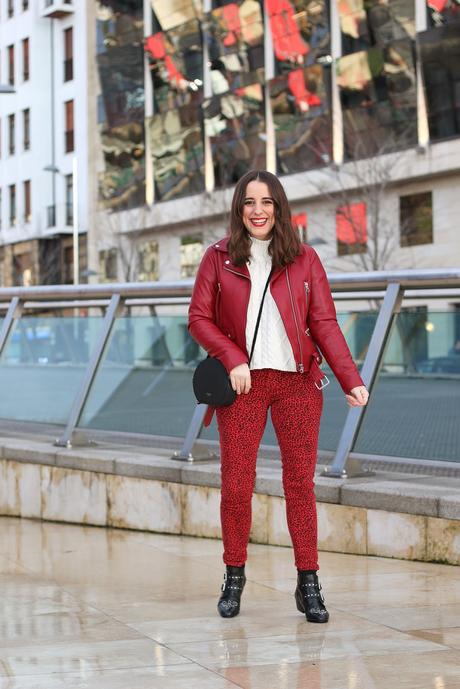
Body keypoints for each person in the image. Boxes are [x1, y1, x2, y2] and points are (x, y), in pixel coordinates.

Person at [188, 170, 369, 623]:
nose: (258, 210)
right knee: (236, 483)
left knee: (299, 486)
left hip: (297, 385)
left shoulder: (305, 259)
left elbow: (324, 322)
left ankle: (308, 583)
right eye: (249, 202)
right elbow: (198, 318)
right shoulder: (218, 258)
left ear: (279, 207)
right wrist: (232, 358)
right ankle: (234, 577)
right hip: (243, 385)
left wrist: (350, 377)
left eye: (267, 202)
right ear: (238, 209)